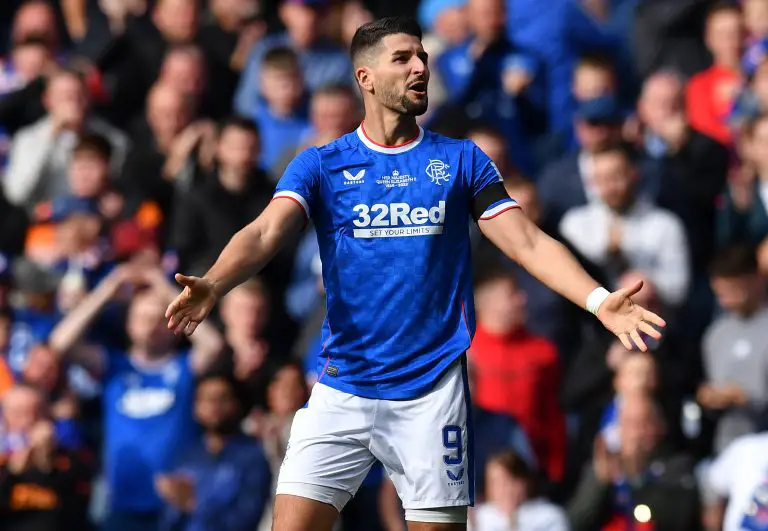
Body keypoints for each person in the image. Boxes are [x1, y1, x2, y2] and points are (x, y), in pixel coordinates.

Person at [164, 17, 667, 531]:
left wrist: (598, 299)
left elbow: (527, 241)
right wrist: (216, 281)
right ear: (365, 77)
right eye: (402, 58)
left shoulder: (461, 161)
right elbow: (265, 232)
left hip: (432, 392)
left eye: (422, 56)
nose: (420, 66)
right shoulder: (320, 165)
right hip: (344, 385)